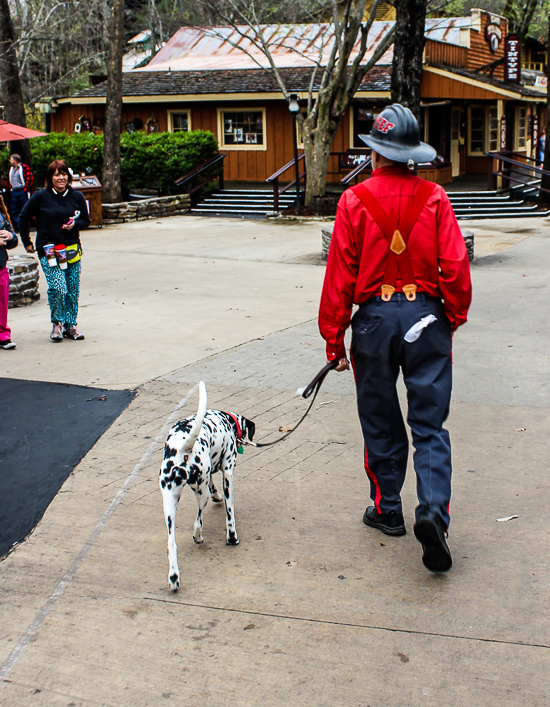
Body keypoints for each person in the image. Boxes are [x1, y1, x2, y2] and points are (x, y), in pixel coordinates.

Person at [319, 104, 472, 573]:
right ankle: (433, 513)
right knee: (429, 425)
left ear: (376, 152)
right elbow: (455, 264)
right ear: (411, 154)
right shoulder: (436, 197)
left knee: (380, 419)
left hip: (373, 323)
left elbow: (339, 275)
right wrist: (454, 313)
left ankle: (388, 510)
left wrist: (333, 338)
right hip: (426, 316)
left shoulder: (353, 200)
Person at [19, 159, 90, 342]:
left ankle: (70, 325)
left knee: (72, 289)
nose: (61, 178)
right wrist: (27, 241)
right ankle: (57, 324)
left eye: (64, 174)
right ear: (50, 178)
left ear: (69, 176)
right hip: (48, 250)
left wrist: (74, 224)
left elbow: (86, 221)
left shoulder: (77, 197)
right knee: (58, 287)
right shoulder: (41, 196)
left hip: (71, 249)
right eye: (57, 174)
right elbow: (24, 217)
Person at [0, 196, 18, 349]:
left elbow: (14, 240)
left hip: (0, 267)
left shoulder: (1, 214)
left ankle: (3, 335)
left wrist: (11, 236)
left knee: (2, 305)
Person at [8, 154, 34, 232]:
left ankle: (26, 224)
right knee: (14, 209)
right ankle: (18, 226)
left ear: (15, 160)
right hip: (14, 190)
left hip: (22, 190)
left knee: (24, 208)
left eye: (11, 159)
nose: (10, 161)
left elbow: (29, 178)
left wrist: (26, 189)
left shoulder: (24, 168)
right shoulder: (11, 169)